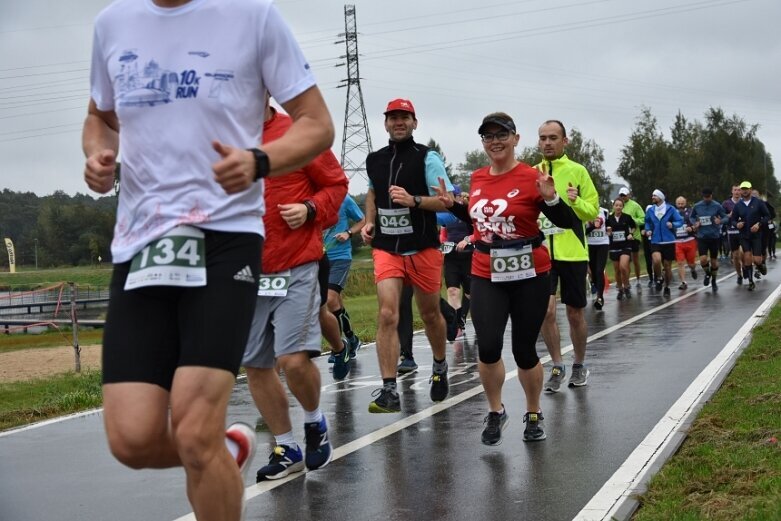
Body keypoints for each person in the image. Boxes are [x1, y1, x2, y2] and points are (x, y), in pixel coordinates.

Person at [82, 1, 334, 518]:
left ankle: (209, 451)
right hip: (142, 243)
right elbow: (100, 118)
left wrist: (261, 159)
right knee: (130, 440)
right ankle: (226, 451)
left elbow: (317, 124)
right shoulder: (111, 24)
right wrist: (98, 155)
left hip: (224, 237)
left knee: (195, 432)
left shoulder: (254, 17)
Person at [435, 112, 577, 445]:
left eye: (502, 135)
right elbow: (480, 220)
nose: (495, 142)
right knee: (487, 347)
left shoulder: (533, 176)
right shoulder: (478, 177)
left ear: (515, 139)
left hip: (530, 273)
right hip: (486, 271)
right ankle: (496, 411)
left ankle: (532, 411)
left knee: (525, 350)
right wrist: (455, 207)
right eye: (488, 136)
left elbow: (567, 221)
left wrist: (551, 197)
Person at [244, 99, 347, 482]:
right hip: (246, 270)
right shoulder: (220, 135)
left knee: (292, 359)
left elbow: (336, 185)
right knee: (255, 364)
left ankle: (315, 422)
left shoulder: (299, 131)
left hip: (297, 263)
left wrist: (309, 208)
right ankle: (286, 446)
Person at [360, 98, 454, 413]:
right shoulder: (374, 159)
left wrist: (413, 200)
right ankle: (389, 390)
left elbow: (447, 202)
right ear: (385, 123)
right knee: (388, 313)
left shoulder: (428, 158)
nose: (398, 123)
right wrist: (371, 220)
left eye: (405, 117)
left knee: (429, 314)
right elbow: (373, 190)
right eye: (393, 118)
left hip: (422, 247)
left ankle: (440, 366)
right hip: (387, 248)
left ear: (415, 122)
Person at [536, 120, 599, 393]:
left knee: (574, 313)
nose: (547, 143)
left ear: (565, 141)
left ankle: (579, 364)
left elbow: (592, 212)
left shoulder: (578, 171)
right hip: (542, 254)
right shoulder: (532, 173)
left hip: (573, 252)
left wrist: (575, 201)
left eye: (553, 137)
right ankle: (558, 365)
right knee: (546, 311)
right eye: (543, 138)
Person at [324, 194, 366, 359]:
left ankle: (339, 348)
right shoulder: (311, 199)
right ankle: (351, 339)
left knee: (330, 299)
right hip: (320, 258)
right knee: (335, 302)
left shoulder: (344, 199)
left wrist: (348, 232)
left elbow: (362, 220)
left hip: (340, 256)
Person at [437, 186, 474, 334]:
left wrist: (467, 240)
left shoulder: (468, 212)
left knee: (470, 293)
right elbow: (444, 235)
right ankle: (456, 324)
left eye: (453, 195)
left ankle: (463, 317)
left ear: (459, 197)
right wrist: (443, 245)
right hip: (451, 257)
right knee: (452, 290)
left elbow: (479, 230)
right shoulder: (446, 216)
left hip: (469, 256)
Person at [730, 181, 770, 291]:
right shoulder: (738, 205)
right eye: (743, 189)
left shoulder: (759, 202)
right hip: (744, 235)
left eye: (746, 188)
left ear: (750, 189)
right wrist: (737, 224)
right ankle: (751, 281)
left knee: (757, 260)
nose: (744, 191)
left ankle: (761, 266)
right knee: (747, 257)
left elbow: (767, 216)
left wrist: (759, 224)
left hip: (756, 235)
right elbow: (733, 220)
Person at [644, 189, 683, 297]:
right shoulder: (651, 210)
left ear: (660, 197)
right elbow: (647, 221)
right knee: (656, 260)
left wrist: (673, 224)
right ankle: (659, 277)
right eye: (652, 196)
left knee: (667, 266)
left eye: (654, 196)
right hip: (655, 240)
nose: (652, 197)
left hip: (669, 241)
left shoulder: (670, 209)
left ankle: (667, 286)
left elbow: (680, 221)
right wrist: (648, 230)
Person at [690, 187, 727, 292]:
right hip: (702, 236)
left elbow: (725, 217)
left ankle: (714, 281)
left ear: (711, 195)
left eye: (708, 197)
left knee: (714, 262)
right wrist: (695, 223)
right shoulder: (697, 206)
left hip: (714, 236)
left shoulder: (717, 205)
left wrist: (720, 221)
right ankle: (707, 274)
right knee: (703, 260)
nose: (707, 199)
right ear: (703, 196)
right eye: (705, 197)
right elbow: (692, 217)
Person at [606, 198, 636, 299]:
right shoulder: (609, 218)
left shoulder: (627, 217)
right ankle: (620, 289)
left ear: (623, 207)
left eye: (620, 205)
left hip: (625, 245)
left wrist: (631, 234)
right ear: (613, 206)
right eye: (616, 205)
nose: (618, 207)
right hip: (614, 246)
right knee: (617, 270)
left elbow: (633, 226)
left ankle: (626, 286)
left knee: (623, 267)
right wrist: (608, 233)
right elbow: (607, 231)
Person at [617, 187, 646, 288]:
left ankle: (638, 279)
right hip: (622, 238)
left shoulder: (635, 205)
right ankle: (627, 282)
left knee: (635, 260)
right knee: (625, 260)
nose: (623, 197)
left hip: (634, 237)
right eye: (621, 195)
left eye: (624, 195)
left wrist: (633, 220)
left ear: (629, 195)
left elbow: (643, 219)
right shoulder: (617, 205)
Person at [586, 205, 610, 310]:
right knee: (593, 273)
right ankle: (597, 288)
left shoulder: (605, 211)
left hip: (603, 243)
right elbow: (583, 232)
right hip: (590, 244)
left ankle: (599, 297)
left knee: (600, 271)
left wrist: (610, 230)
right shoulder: (584, 210)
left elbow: (609, 225)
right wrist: (592, 226)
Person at [673, 196, 698, 290]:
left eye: (682, 203)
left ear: (685, 203)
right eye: (678, 204)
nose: (680, 205)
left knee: (691, 263)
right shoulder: (672, 212)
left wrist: (691, 228)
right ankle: (683, 282)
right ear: (676, 204)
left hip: (690, 240)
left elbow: (697, 223)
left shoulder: (691, 212)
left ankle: (692, 269)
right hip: (677, 241)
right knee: (680, 263)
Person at [722, 185, 745, 284]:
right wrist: (728, 215)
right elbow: (721, 217)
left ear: (741, 192)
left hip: (743, 232)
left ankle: (745, 267)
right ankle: (739, 275)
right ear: (732, 191)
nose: (737, 192)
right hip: (731, 232)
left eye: (739, 190)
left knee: (743, 253)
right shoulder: (726, 203)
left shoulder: (745, 202)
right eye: (735, 190)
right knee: (735, 256)